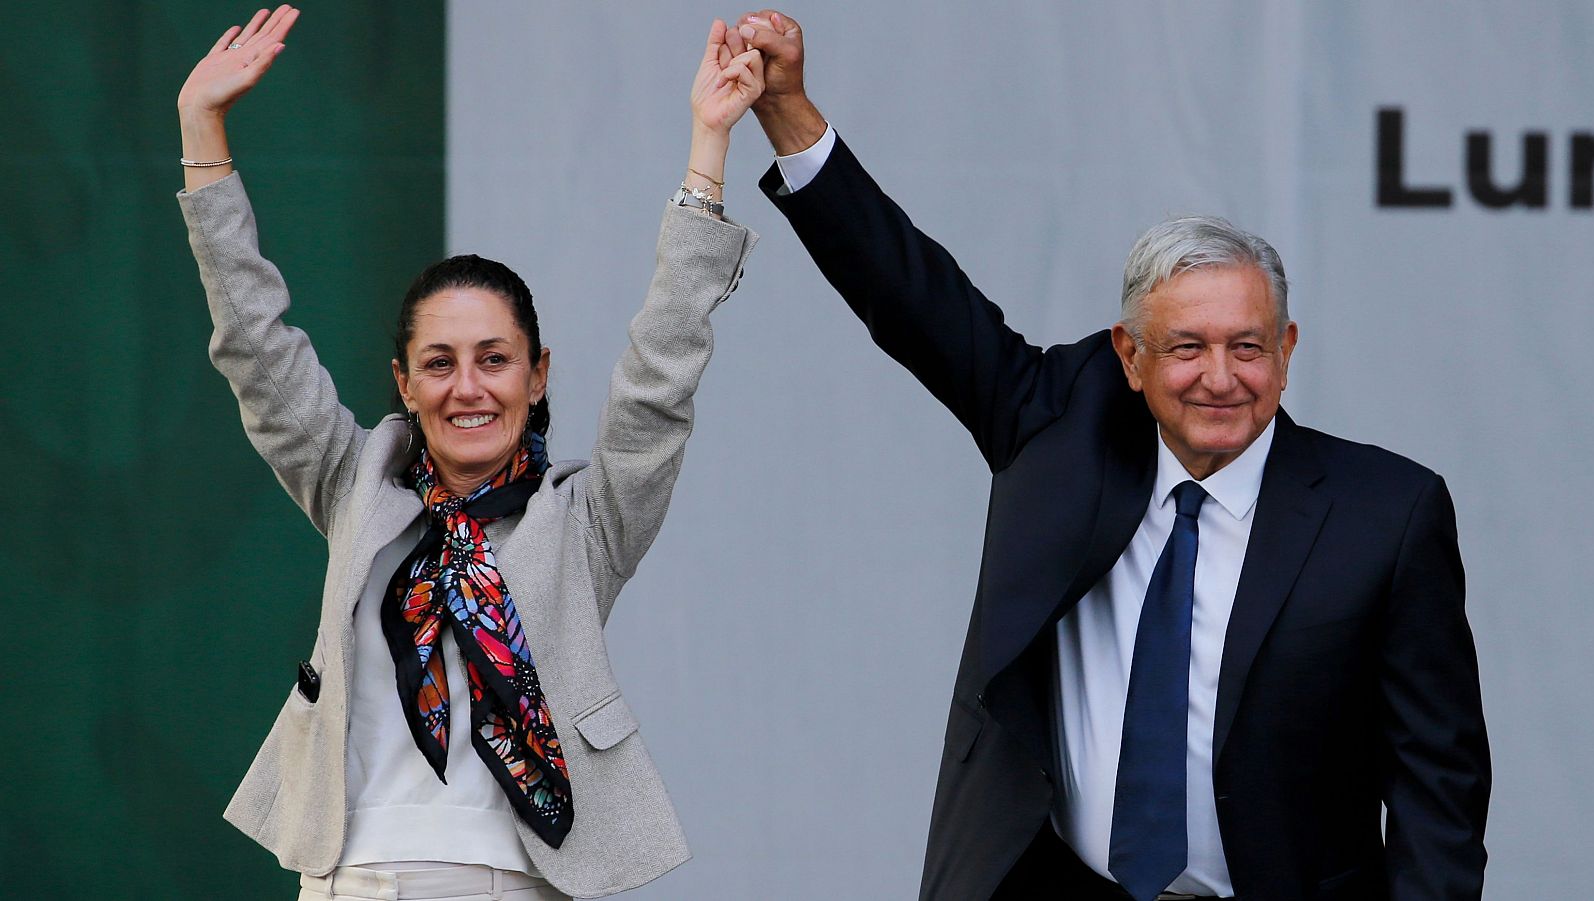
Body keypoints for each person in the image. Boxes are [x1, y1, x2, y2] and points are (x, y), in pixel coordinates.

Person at [727, 11, 1490, 901]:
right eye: (1186, 348)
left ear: (1286, 350)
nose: (1220, 378)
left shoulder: (1386, 515)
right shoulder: (1056, 428)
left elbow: (1440, 792)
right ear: (1129, 357)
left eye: (1247, 347)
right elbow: (910, 293)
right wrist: (787, 112)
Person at [176, 7, 762, 899]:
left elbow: (660, 373)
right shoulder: (355, 480)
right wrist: (203, 133)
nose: (469, 387)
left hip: (516, 879)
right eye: (439, 365)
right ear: (405, 386)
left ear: (537, 376)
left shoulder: (586, 521)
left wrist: (708, 148)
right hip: (349, 877)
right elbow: (255, 347)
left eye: (495, 360)